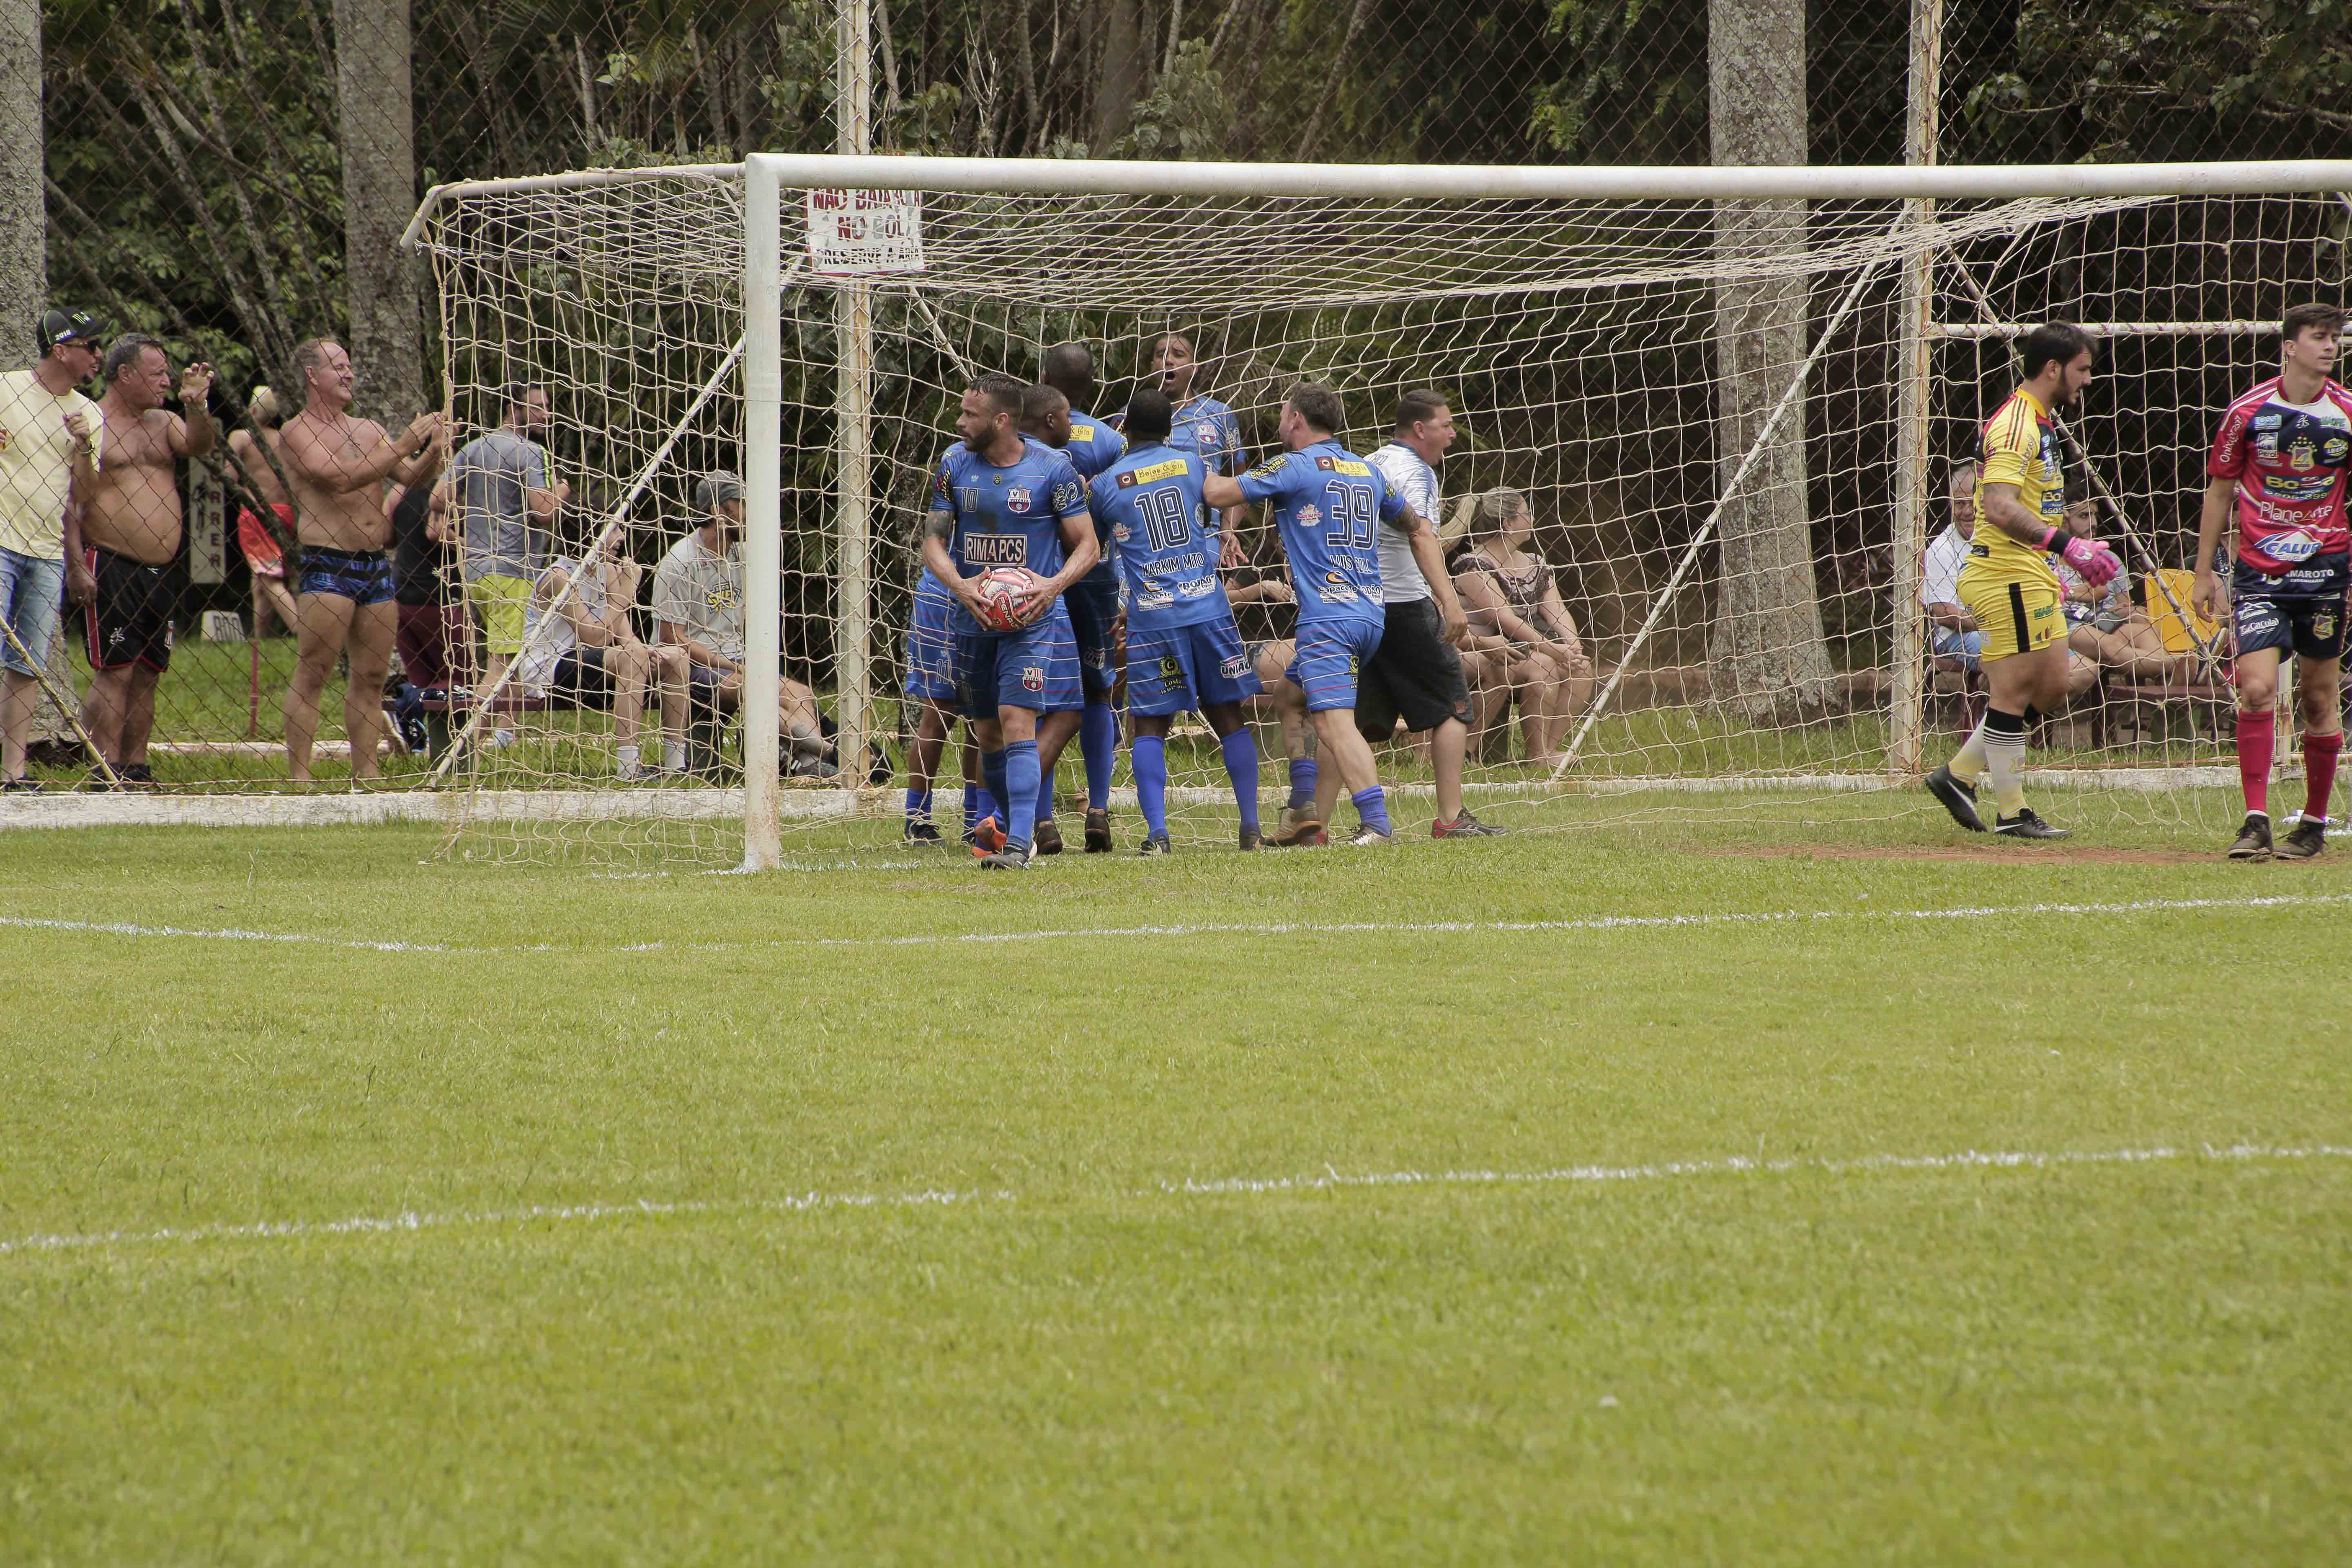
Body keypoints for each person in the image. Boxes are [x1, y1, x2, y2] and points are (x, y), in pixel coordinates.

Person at [1203, 381, 1454, 846]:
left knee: (1335, 722)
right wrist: (1447, 597)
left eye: (1282, 413)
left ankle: (1377, 825)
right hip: (1369, 614)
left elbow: (1219, 494)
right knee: (1291, 697)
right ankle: (1304, 815)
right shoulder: (1367, 471)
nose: (1280, 422)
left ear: (1297, 419)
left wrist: (1181, 463)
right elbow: (1413, 525)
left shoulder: (1294, 466)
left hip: (1328, 618)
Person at [1922, 323, 2117, 840]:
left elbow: (2032, 505)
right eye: (2082, 369)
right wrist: (2067, 545)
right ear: (2053, 368)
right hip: (2003, 574)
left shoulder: (2042, 421)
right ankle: (2012, 812)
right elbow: (2000, 506)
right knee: (2013, 693)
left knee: (2054, 685)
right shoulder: (2016, 426)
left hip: (2029, 572)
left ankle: (1959, 774)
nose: (2087, 380)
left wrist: (2072, 552)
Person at [920, 376, 1099, 869]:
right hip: (973, 614)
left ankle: (1021, 845)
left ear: (1001, 420)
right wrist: (960, 585)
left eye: (970, 414)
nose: (960, 422)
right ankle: (1006, 823)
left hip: (1031, 620)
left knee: (1017, 721)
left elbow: (1088, 545)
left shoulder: (1052, 469)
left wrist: (1051, 586)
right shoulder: (954, 464)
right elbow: (933, 539)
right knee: (987, 735)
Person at [2195, 301, 2352, 861]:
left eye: (2335, 337)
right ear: (2290, 346)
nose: (2330, 346)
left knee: (2317, 698)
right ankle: (2256, 820)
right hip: (2259, 572)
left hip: (2325, 572)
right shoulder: (2248, 411)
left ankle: (2311, 824)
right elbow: (2218, 493)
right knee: (2257, 689)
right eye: (2318, 337)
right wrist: (2203, 573)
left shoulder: (2347, 413)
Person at [1092, 387, 1263, 852]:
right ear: (1171, 430)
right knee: (1229, 716)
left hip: (1154, 617)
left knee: (1150, 724)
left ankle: (1159, 836)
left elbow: (1096, 552)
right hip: (1209, 606)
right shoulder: (1193, 465)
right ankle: (1251, 829)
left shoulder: (1107, 484)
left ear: (1124, 429)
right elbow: (1224, 495)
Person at [275, 338, 448, 782]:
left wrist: (432, 447)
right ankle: (300, 777)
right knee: (314, 670)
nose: (349, 373)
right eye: (338, 366)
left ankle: (366, 774)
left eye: (349, 365)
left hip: (374, 567)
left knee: (371, 676)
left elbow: (407, 476)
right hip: (328, 565)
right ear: (313, 376)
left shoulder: (368, 428)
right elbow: (338, 478)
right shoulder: (297, 431)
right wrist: (406, 441)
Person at [77, 334, 215, 787]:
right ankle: (105, 768)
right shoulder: (89, 422)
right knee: (115, 670)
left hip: (161, 570)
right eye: (157, 373)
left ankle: (136, 767)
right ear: (125, 374)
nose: (167, 381)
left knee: (149, 672)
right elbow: (71, 502)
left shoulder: (163, 421)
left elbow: (199, 446)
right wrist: (76, 564)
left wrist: (196, 405)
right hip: (112, 562)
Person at [1361, 391, 1497, 836]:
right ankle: (1451, 819)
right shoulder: (1414, 472)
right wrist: (1449, 601)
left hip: (1362, 606)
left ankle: (1316, 823)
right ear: (1420, 430)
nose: (1454, 434)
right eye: (1447, 425)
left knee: (1350, 721)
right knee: (1453, 709)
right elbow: (1421, 537)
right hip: (1404, 603)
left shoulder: (1371, 462)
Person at [652, 471, 834, 777]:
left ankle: (808, 765)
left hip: (737, 662)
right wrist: (731, 665)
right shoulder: (679, 562)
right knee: (756, 689)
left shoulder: (743, 554)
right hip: (694, 667)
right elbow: (673, 638)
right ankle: (833, 752)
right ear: (719, 511)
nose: (750, 513)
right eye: (743, 504)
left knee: (799, 692)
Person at [0, 309, 105, 791]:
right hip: (1, 539)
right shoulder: (7, 388)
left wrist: (83, 446)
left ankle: (12, 772)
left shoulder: (90, 412)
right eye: (90, 345)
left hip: (45, 550)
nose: (98, 355)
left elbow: (83, 494)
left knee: (28, 664)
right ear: (61, 351)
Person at [1035, 344, 1129, 851]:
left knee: (1043, 696)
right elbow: (1123, 513)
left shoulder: (1026, 443)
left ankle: (1043, 818)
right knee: (1099, 691)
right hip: (1096, 576)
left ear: (1045, 378)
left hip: (1043, 577)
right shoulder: (1111, 440)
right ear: (1092, 386)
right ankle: (1097, 809)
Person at [1448, 485, 1597, 771]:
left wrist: (1572, 646)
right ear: (1508, 523)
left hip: (1516, 649)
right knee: (1544, 664)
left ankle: (1549, 751)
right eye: (1526, 513)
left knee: (1581, 667)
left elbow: (1558, 611)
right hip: (1478, 648)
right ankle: (1535, 753)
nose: (1532, 519)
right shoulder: (1473, 566)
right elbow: (1505, 620)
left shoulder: (1534, 564)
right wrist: (1555, 650)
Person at [452, 383, 565, 752]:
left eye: (546, 408)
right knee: (501, 665)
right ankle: (464, 749)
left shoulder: (471, 449)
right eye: (537, 408)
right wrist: (561, 493)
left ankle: (503, 737)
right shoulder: (532, 452)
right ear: (512, 409)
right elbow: (544, 511)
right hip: (512, 570)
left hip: (475, 572)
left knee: (512, 659)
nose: (545, 416)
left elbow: (439, 499)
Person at [519, 537, 689, 780]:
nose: (621, 537)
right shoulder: (560, 577)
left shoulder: (605, 570)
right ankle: (629, 768)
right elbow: (594, 638)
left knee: (677, 657)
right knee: (632, 658)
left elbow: (626, 637)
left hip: (595, 664)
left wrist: (650, 654)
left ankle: (676, 765)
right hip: (550, 669)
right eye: (614, 528)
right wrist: (627, 591)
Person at [2053, 497, 2183, 684]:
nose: (2094, 523)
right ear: (2064, 520)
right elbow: (2093, 592)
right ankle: (2178, 664)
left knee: (2141, 631)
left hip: (2092, 615)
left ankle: (2163, 691)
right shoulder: (2046, 554)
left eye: (2095, 516)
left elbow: (2099, 591)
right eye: (2084, 516)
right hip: (2064, 622)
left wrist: (2066, 593)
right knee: (2112, 645)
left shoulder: (2088, 552)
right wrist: (2070, 593)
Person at [389, 427, 466, 693]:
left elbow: (388, 537)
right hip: (436, 597)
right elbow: (436, 532)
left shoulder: (399, 491)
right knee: (461, 679)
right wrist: (476, 549)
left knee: (421, 682)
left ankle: (410, 716)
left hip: (401, 595)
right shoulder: (441, 488)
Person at [227, 386, 299, 639]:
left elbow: (228, 476)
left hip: (257, 514)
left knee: (269, 580)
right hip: (289, 513)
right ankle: (260, 639)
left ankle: (302, 630)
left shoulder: (243, 437)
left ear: (253, 409)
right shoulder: (286, 439)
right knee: (260, 578)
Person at [1921, 459, 1985, 670]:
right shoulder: (1941, 551)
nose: (1968, 511)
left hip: (1999, 628)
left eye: (1973, 502)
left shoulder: (1999, 539)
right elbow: (1946, 615)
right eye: (1960, 504)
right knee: (2002, 655)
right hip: (1956, 637)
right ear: (1951, 504)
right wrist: (1994, 623)